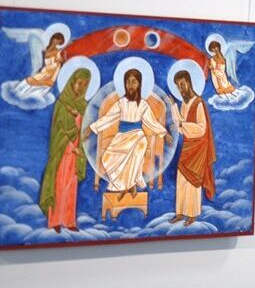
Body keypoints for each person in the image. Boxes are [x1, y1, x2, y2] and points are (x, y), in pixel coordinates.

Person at [89, 69, 171, 199]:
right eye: (128, 82)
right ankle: (128, 186)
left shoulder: (143, 104)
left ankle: (127, 188)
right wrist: (92, 128)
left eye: (134, 82)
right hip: (121, 136)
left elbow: (151, 122)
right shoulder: (121, 103)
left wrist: (164, 133)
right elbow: (108, 118)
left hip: (138, 136)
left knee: (134, 152)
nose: (131, 85)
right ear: (124, 84)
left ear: (139, 84)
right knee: (107, 158)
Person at [38, 68, 90, 233]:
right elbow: (59, 130)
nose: (81, 87)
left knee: (71, 188)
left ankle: (69, 221)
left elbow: (85, 130)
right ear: (72, 82)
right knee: (59, 186)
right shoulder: (62, 104)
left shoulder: (83, 106)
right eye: (79, 83)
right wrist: (72, 146)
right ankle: (55, 221)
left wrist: (79, 118)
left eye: (85, 85)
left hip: (75, 154)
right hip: (62, 153)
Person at [169, 70, 217, 226]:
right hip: (188, 147)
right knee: (182, 178)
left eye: (183, 84)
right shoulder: (184, 104)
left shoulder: (199, 103)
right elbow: (182, 127)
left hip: (198, 148)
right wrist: (174, 108)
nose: (181, 88)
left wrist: (182, 124)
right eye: (178, 86)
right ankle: (180, 212)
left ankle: (193, 214)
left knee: (193, 181)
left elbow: (201, 129)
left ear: (189, 83)